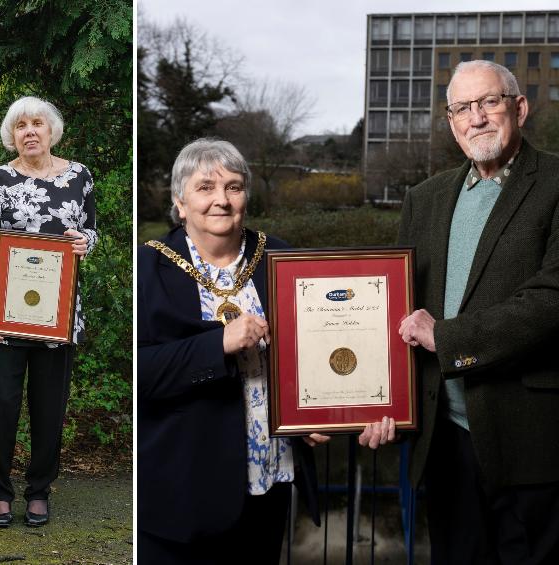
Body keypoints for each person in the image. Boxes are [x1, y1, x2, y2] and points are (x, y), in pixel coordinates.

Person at [360, 60, 559, 564]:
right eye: (462, 108)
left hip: (531, 440)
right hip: (444, 440)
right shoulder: (423, 200)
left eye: (489, 102)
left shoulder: (555, 183)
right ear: (451, 123)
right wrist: (377, 398)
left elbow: (551, 299)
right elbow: (398, 313)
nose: (477, 118)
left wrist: (445, 338)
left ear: (519, 108)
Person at [138, 138, 327, 564]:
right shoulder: (147, 268)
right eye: (205, 187)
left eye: (234, 187)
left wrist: (314, 411)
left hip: (268, 481)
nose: (221, 200)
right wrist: (217, 345)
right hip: (181, 489)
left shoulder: (280, 257)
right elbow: (139, 373)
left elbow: (312, 351)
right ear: (180, 201)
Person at [0, 96, 96, 528]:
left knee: (49, 409)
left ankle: (39, 491)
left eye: (37, 124)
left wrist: (85, 241)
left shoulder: (80, 176)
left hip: (57, 317)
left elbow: (90, 231)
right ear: (12, 135)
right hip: (4, 317)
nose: (29, 131)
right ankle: (0, 494)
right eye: (20, 125)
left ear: (51, 131)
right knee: (2, 407)